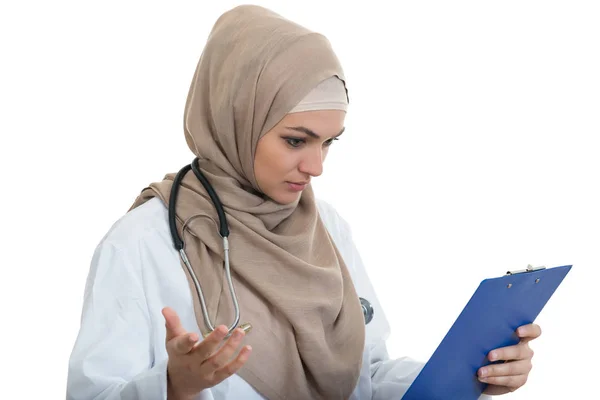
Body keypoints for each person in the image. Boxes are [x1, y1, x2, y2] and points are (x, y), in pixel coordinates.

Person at [66, 5, 541, 400]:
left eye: (329, 142)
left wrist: (470, 375)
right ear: (236, 120)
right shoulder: (143, 242)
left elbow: (366, 376)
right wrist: (172, 387)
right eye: (296, 141)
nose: (317, 167)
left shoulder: (325, 227)